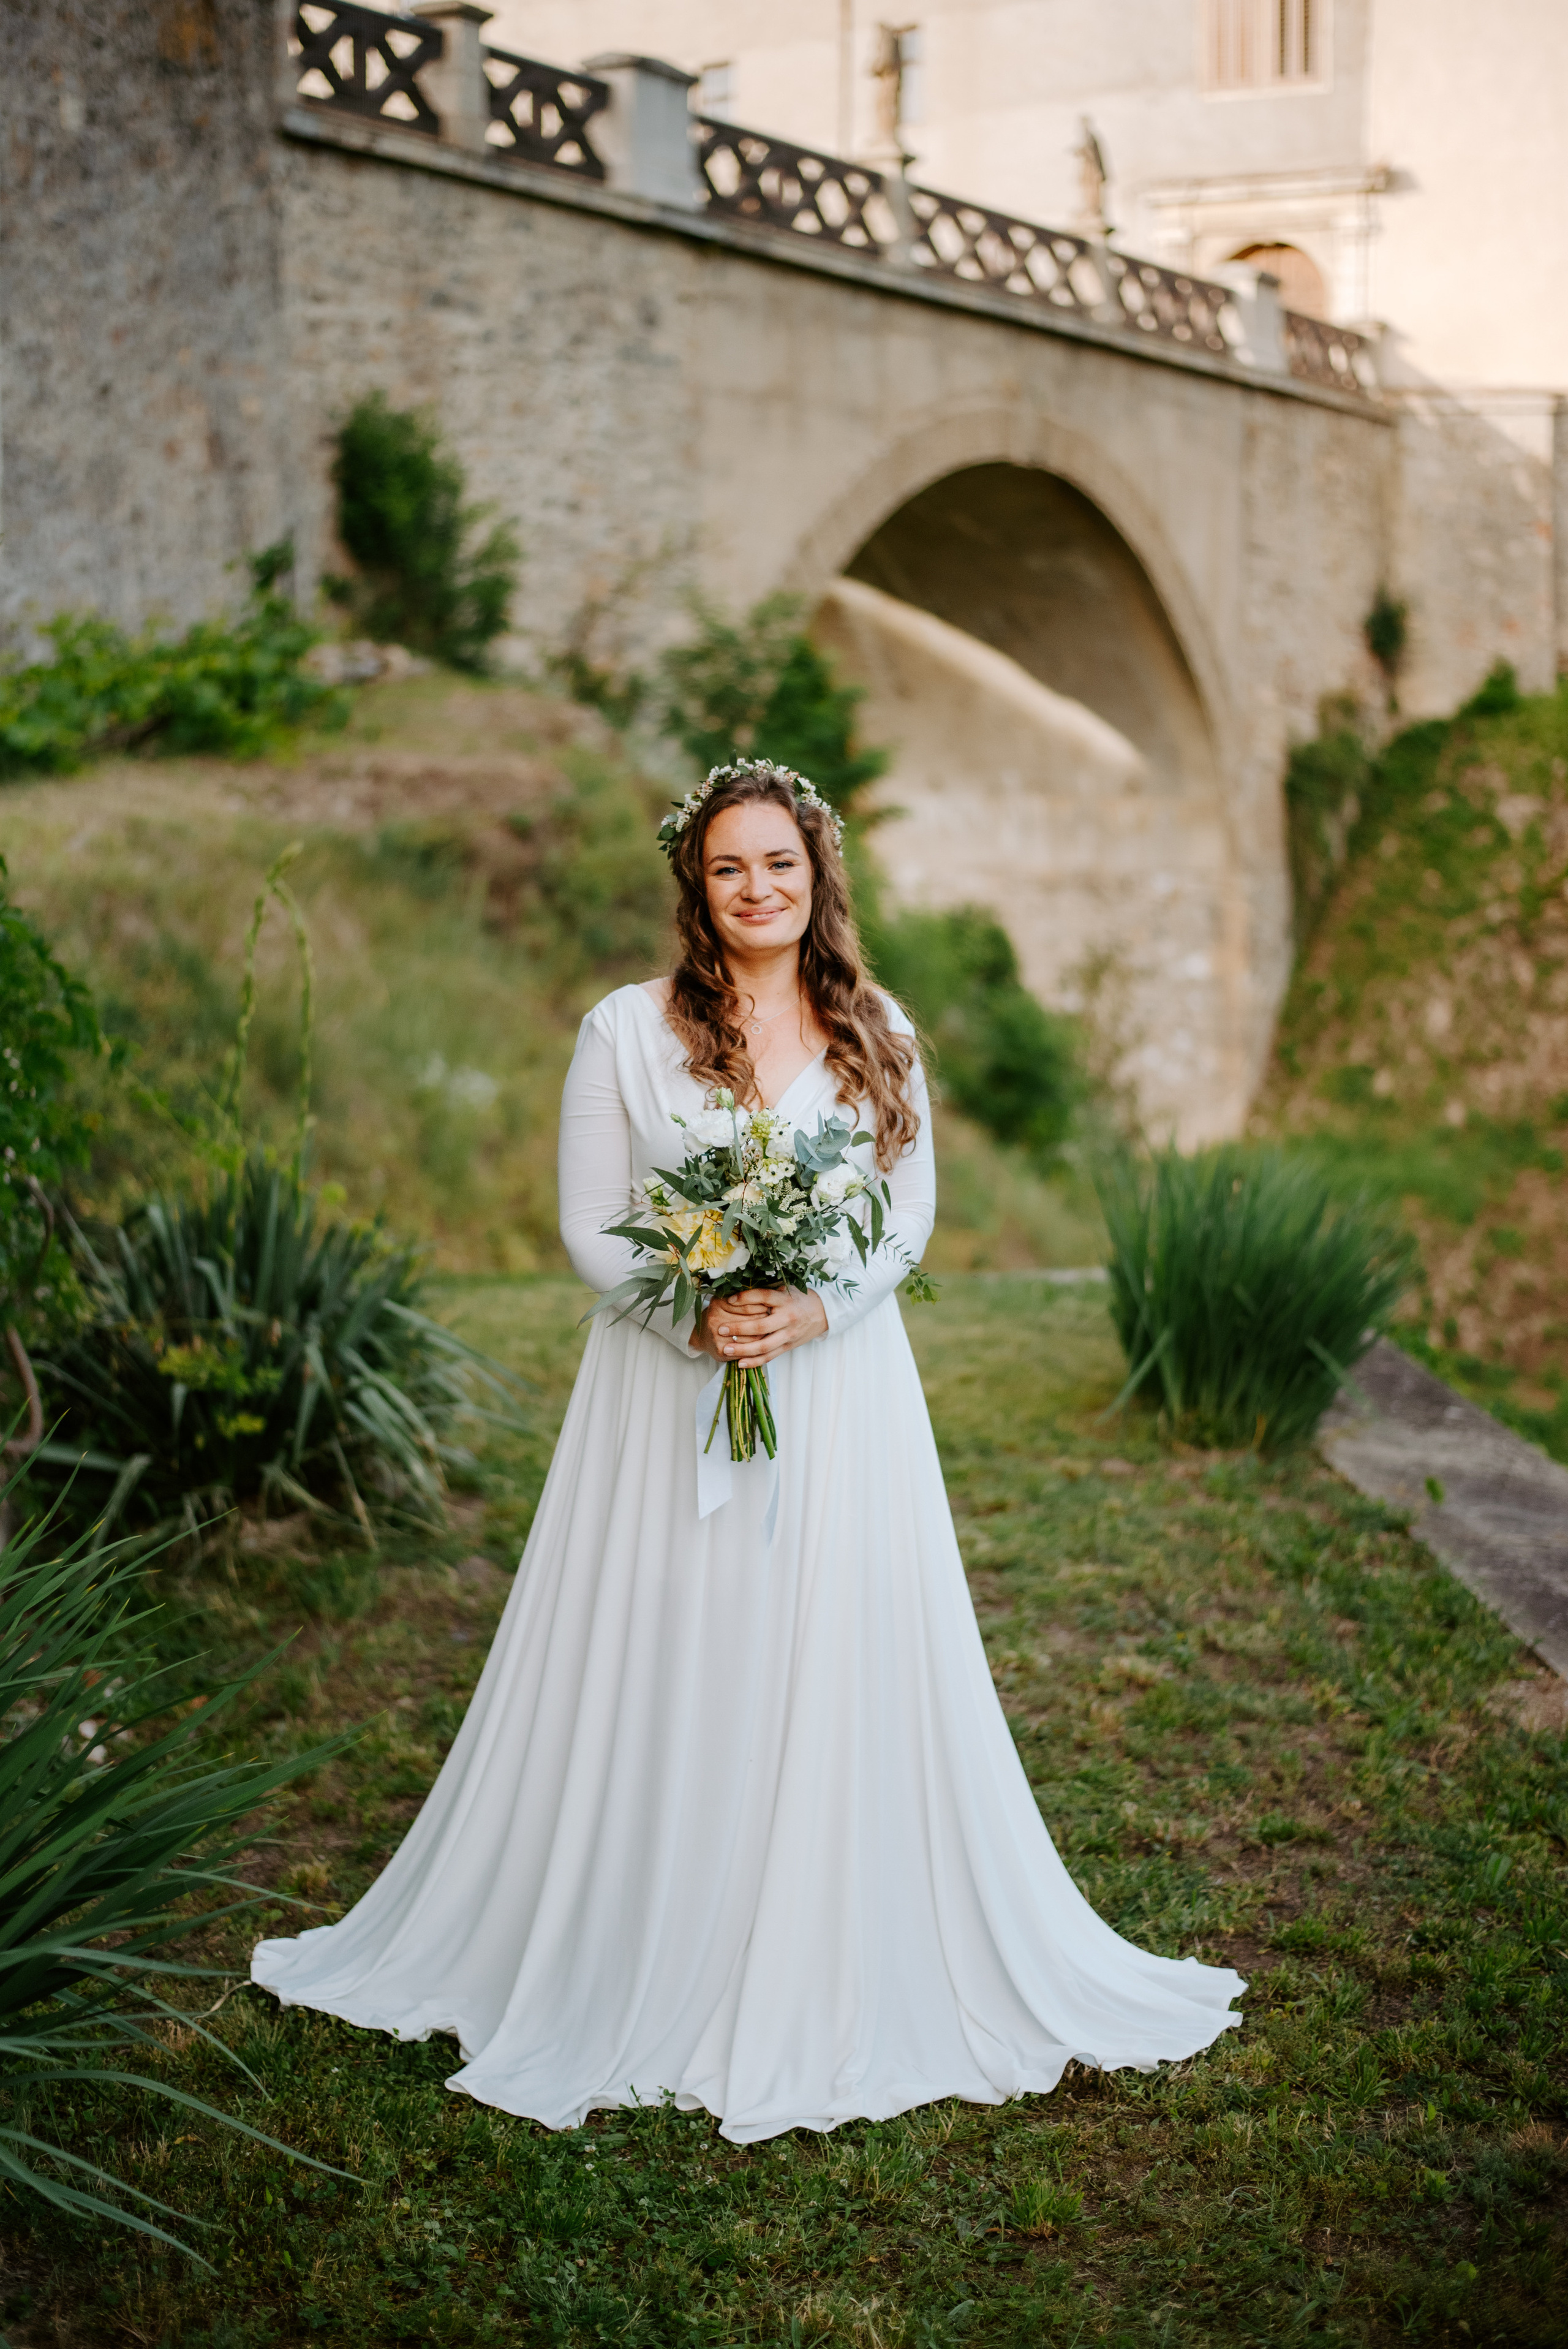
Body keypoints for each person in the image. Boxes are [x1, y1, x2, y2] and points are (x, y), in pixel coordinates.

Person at [252, 757, 1243, 2143]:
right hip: (664, 1393)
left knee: (827, 1640)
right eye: (728, 869)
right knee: (671, 1636)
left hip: (840, 1395)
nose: (755, 889)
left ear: (816, 874)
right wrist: (692, 1316)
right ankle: (652, 1926)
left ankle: (820, 1933)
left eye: (777, 864)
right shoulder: (622, 1030)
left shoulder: (877, 1028)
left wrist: (816, 1304)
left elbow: (904, 1221)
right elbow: (590, 1223)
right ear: (694, 885)